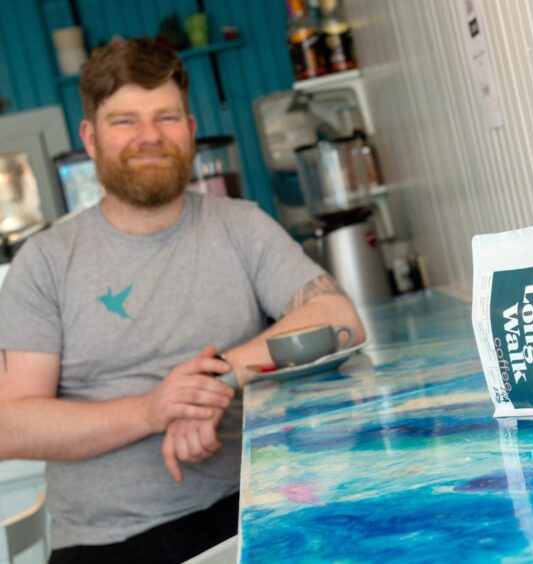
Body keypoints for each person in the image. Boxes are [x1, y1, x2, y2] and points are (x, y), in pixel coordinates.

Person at [0, 38, 365, 563]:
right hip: (107, 543)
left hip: (244, 511)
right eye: (125, 121)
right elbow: (12, 426)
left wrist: (217, 378)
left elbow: (340, 317)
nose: (149, 137)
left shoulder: (242, 225)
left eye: (166, 117)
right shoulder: (47, 261)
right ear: (90, 138)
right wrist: (153, 411)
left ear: (191, 131)